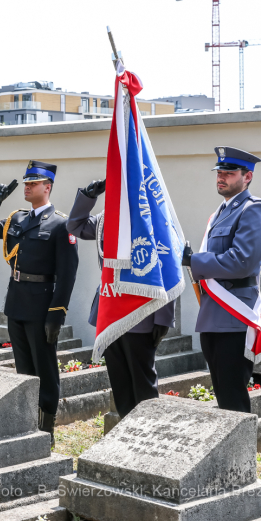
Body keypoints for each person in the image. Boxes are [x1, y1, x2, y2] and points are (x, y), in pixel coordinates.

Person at [0, 160, 78, 440]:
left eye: (34, 183)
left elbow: (67, 275)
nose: (28, 187)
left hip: (43, 306)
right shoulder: (17, 219)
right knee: (24, 368)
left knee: (45, 367)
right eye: (26, 182)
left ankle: (47, 427)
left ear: (48, 186)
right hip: (17, 303)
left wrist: (57, 313)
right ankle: (29, 422)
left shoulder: (61, 224)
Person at [67, 178, 174, 418]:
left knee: (142, 382)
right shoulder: (106, 219)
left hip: (140, 312)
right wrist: (88, 195)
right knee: (120, 381)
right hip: (110, 309)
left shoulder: (152, 220)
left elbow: (166, 267)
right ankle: (126, 433)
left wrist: (164, 317)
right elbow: (74, 226)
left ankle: (146, 434)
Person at [180, 146, 261, 414]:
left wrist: (194, 261)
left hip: (235, 314)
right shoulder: (220, 212)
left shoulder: (253, 210)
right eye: (219, 172)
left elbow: (242, 261)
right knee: (222, 394)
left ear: (248, 177)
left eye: (229, 172)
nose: (222, 177)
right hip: (213, 313)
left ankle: (241, 455)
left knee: (232, 397)